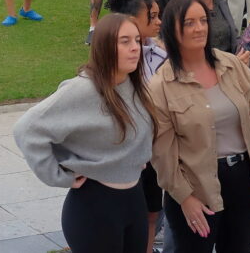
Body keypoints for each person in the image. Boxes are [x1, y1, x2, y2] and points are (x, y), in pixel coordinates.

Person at [149, 0, 250, 253]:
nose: (199, 28)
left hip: (242, 181)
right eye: (189, 22)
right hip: (195, 188)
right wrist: (185, 198)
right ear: (172, 29)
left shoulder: (232, 65)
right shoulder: (161, 85)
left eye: (203, 20)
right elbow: (163, 154)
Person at [11, 14, 154, 253]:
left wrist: (134, 157)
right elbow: (26, 129)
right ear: (105, 46)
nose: (134, 48)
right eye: (125, 41)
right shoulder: (83, 89)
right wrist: (57, 175)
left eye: (137, 41)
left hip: (134, 201)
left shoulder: (134, 84)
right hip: (95, 207)